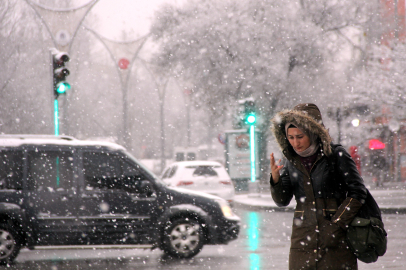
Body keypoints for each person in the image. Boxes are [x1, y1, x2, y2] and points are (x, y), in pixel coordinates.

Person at [269, 103, 367, 270]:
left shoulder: (336, 155)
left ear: (313, 132)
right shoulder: (290, 160)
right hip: (302, 242)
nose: (295, 143)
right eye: (291, 137)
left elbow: (358, 192)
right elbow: (282, 200)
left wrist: (336, 225)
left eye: (300, 136)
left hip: (335, 240)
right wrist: (276, 179)